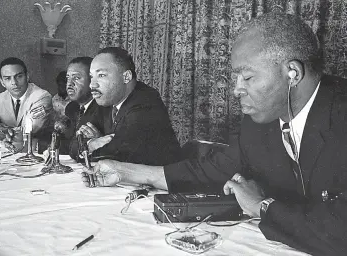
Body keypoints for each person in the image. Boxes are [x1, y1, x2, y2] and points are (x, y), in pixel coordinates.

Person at [80, 13, 347, 255]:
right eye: (235, 78)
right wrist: (123, 172)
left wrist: (263, 206)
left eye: (248, 78)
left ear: (293, 73)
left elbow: (339, 234)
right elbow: (210, 171)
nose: (236, 90)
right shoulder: (259, 122)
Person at [77, 47, 182, 165]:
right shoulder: (106, 98)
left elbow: (118, 155)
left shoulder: (145, 102)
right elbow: (75, 141)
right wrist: (93, 144)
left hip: (157, 181)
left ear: (126, 77)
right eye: (91, 77)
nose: (92, 84)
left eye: (101, 75)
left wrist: (91, 145)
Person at [0, 57, 52, 147]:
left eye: (19, 76)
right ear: (2, 82)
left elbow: (29, 129)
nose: (14, 83)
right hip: (9, 150)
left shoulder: (41, 96)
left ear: (27, 76)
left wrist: (4, 131)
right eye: (8, 78)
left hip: (36, 151)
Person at [58, 57, 103, 156]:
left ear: (92, 80)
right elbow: (70, 142)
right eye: (68, 78)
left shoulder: (103, 108)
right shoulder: (71, 108)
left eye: (76, 78)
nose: (69, 84)